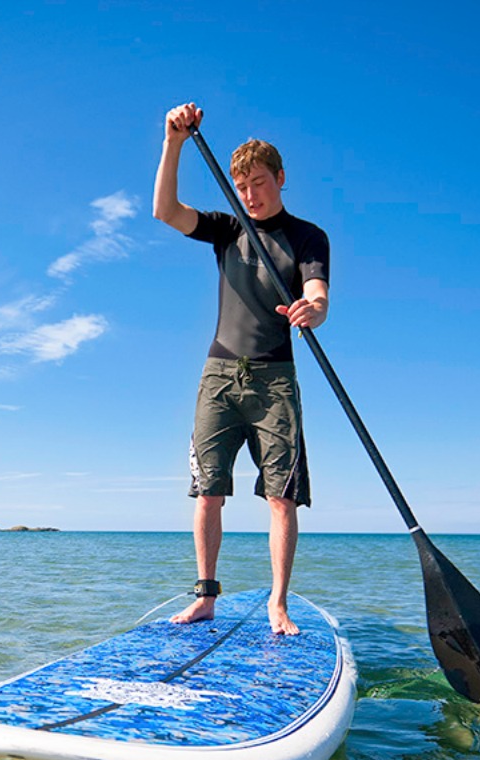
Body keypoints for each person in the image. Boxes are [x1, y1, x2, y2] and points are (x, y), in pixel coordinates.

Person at [153, 102, 330, 636]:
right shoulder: (226, 229)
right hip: (219, 376)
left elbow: (317, 292)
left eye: (259, 182)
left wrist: (313, 309)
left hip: (276, 381)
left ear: (280, 178)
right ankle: (206, 596)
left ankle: (278, 603)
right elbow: (165, 211)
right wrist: (174, 143)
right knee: (209, 490)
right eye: (242, 184)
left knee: (281, 496)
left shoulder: (307, 236)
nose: (251, 193)